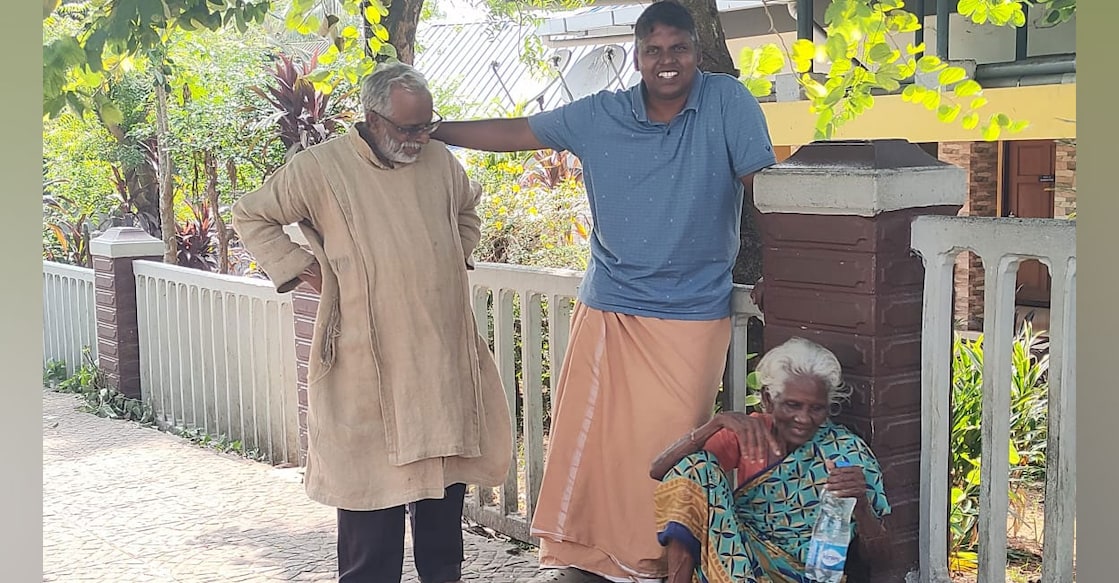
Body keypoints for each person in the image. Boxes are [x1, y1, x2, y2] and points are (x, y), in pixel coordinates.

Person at [430, 2, 777, 581]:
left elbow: (760, 186)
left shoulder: (727, 101)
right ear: (637, 57)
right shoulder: (602, 114)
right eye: (654, 50)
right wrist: (434, 129)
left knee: (674, 442)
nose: (667, 61)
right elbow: (518, 132)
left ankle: (655, 555)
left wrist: (782, 270)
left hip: (694, 311)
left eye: (679, 48)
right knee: (600, 447)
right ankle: (588, 554)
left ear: (696, 51)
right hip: (612, 304)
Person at [230, 62, 513, 583]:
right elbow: (250, 214)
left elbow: (468, 211)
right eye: (407, 128)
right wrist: (305, 269)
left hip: (438, 366)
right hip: (366, 369)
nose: (419, 138)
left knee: (441, 534)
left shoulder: (441, 162)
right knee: (369, 529)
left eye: (426, 126)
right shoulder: (321, 168)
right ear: (372, 117)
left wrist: (454, 256)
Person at [649, 337, 892, 583]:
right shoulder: (752, 433)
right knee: (695, 467)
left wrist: (861, 506)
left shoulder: (846, 452)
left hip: (802, 576)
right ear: (767, 399)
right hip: (737, 562)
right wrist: (714, 424)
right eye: (792, 405)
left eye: (816, 408)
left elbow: (882, 559)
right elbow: (662, 471)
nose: (803, 418)